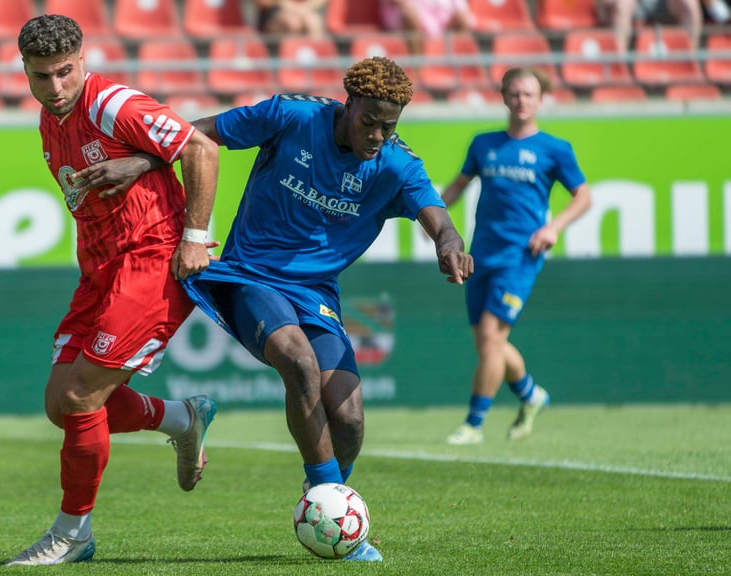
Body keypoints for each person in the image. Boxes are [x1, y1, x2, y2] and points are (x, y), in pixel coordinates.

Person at [97, 56, 472, 561]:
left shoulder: (396, 165)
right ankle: (332, 505)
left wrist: (447, 243)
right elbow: (196, 135)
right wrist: (141, 160)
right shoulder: (291, 117)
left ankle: (328, 506)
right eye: (370, 121)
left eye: (390, 125)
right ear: (349, 104)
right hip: (250, 277)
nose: (378, 134)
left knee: (351, 419)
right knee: (297, 361)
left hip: (316, 294)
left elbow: (439, 219)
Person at [5, 14, 221, 566]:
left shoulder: (112, 103)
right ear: (24, 72)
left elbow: (200, 149)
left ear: (83, 61)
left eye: (64, 73)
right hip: (99, 271)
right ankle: (182, 418)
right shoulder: (49, 121)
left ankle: (73, 532)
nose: (55, 87)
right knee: (61, 403)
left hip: (152, 258)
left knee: (81, 396)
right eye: (41, 76)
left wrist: (195, 238)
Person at [441, 67, 592, 446]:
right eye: (515, 93)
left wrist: (553, 227)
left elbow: (583, 197)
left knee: (491, 339)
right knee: (487, 344)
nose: (521, 101)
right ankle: (530, 394)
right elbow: (458, 186)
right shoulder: (483, 144)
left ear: (541, 99)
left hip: (520, 256)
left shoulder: (555, 149)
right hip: (481, 255)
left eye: (529, 94)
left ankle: (474, 424)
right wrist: (431, 217)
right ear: (504, 97)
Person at [597, 0, 702, 54]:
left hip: (665, 3)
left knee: (689, 3)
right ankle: (617, 67)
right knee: (623, 4)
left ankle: (690, 62)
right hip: (630, 4)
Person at [379, 0, 475, 53]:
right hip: (403, 18)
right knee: (411, 16)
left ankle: (465, 74)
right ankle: (417, 71)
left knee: (463, 21)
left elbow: (462, 10)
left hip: (440, 22)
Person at [255, 0, 329, 38]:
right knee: (292, 23)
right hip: (274, 13)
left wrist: (303, 8)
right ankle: (291, 64)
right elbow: (264, 2)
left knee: (314, 22)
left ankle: (317, 63)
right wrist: (288, 5)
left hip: (305, 11)